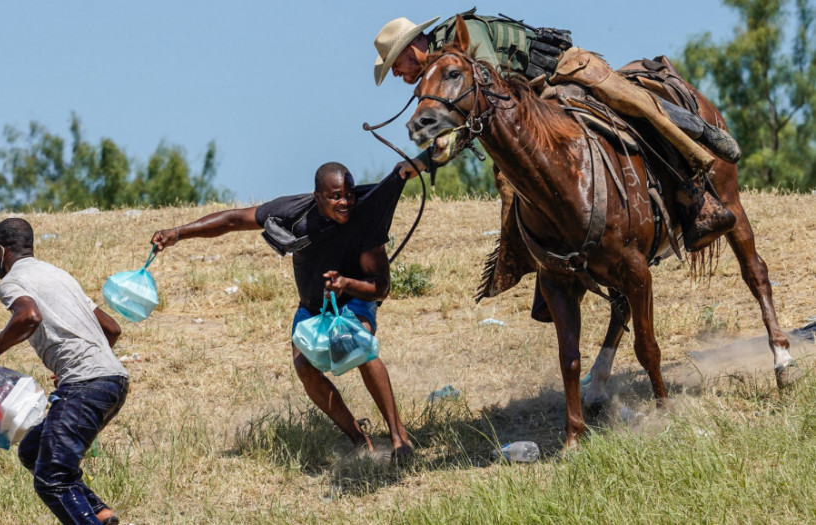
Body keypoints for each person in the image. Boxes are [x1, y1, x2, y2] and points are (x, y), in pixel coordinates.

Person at [373, 9, 740, 254]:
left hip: (563, 72)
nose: (395, 73)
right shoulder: (439, 75)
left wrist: (430, 154)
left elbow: (488, 94)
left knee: (633, 106)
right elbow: (466, 121)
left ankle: (697, 170)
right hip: (531, 104)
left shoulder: (462, 37)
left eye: (396, 63)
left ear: (413, 47)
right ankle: (540, 257)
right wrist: (423, 159)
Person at [150, 162, 413, 460]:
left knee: (359, 345)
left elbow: (380, 287)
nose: (345, 202)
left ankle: (398, 437)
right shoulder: (293, 211)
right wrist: (178, 233)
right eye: (336, 196)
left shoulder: (365, 218)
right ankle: (358, 439)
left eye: (349, 194)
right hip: (313, 308)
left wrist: (346, 283)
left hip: (353, 299)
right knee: (305, 369)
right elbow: (234, 220)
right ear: (318, 197)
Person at [0, 217, 128, 525]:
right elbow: (112, 328)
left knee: (52, 479)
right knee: (33, 450)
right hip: (113, 381)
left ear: (0, 250)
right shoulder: (59, 275)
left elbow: (29, 316)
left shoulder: (12, 281)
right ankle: (99, 513)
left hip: (86, 384)